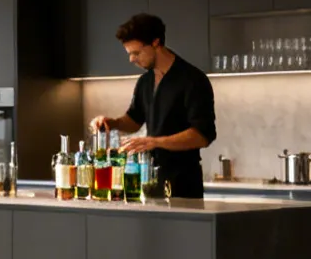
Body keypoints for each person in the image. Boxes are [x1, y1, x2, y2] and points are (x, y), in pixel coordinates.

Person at [91, 13, 217, 199]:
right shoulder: (145, 81)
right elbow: (134, 120)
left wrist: (155, 141)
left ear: (156, 43)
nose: (131, 59)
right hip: (150, 179)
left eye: (136, 53)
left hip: (183, 182)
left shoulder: (193, 80)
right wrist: (112, 123)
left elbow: (203, 135)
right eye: (129, 54)